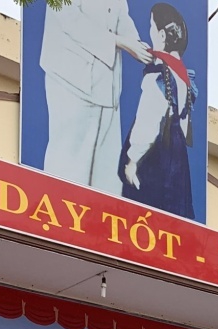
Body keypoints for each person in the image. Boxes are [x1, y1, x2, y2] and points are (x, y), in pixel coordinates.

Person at [39, 0, 147, 194]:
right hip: (71, 79)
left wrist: (137, 44)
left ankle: (101, 220)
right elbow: (70, 19)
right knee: (70, 163)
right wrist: (120, 41)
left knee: (106, 170)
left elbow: (121, 16)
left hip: (107, 85)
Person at [121, 3, 197, 218]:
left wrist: (132, 162)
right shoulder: (184, 77)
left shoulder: (158, 75)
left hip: (156, 157)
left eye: (151, 27)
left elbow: (148, 122)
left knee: (143, 217)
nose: (150, 32)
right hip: (177, 154)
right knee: (174, 216)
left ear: (162, 35)